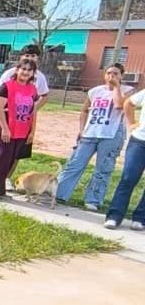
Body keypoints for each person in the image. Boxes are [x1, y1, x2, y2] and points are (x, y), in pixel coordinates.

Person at [56, 63, 134, 210]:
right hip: (91, 132)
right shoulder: (95, 91)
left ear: (121, 76)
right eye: (109, 73)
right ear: (104, 75)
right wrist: (81, 128)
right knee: (75, 163)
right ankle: (59, 193)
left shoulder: (128, 91)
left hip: (111, 134)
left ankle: (93, 200)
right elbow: (85, 110)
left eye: (116, 73)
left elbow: (119, 105)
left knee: (103, 168)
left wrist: (116, 87)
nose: (112, 76)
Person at [0, 45, 49, 189]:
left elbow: (44, 95)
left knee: (16, 154)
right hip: (8, 119)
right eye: (27, 56)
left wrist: (33, 109)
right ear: (20, 59)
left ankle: (6, 178)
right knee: (1, 152)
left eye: (33, 56)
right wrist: (5, 109)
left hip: (23, 121)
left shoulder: (39, 77)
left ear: (38, 59)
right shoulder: (10, 74)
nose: (29, 59)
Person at [0, 59, 39, 200]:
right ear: (17, 70)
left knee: (11, 160)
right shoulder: (6, 87)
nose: (26, 72)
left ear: (33, 73)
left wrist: (32, 131)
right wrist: (5, 129)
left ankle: (0, 189)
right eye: (23, 69)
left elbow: (33, 111)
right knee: (2, 159)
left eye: (29, 70)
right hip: (6, 129)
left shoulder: (32, 89)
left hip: (22, 130)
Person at [104, 84, 145, 230]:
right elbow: (129, 103)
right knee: (128, 177)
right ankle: (114, 216)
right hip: (140, 141)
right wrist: (132, 123)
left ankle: (140, 218)